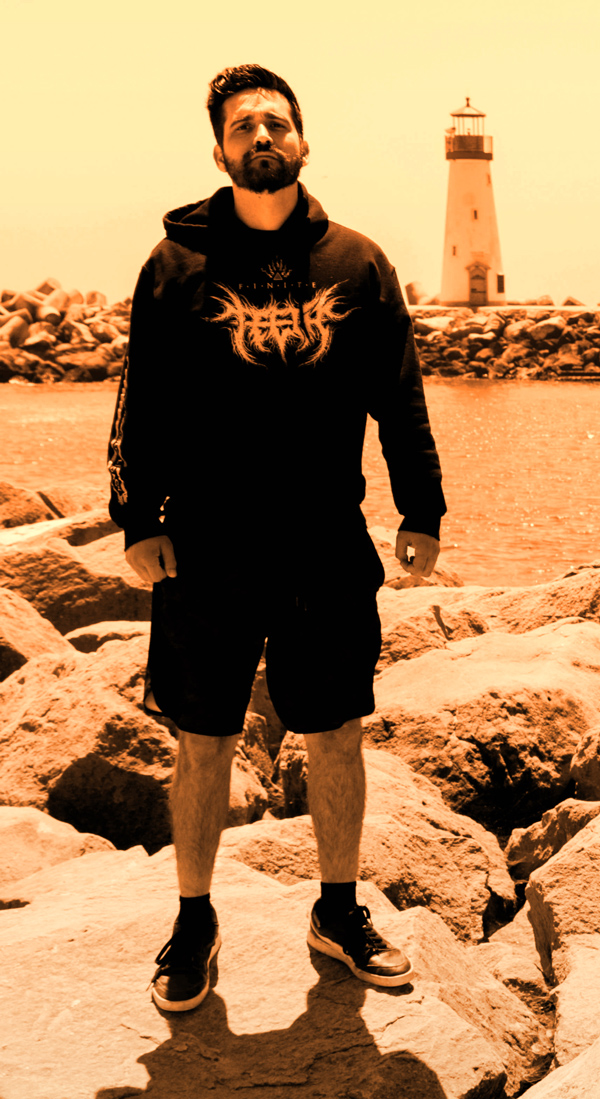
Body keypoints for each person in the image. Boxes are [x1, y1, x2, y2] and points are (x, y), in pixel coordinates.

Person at [111, 65, 447, 1012]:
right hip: (206, 544)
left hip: (324, 541)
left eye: (277, 122)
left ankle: (337, 910)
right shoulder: (175, 266)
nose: (261, 135)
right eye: (242, 125)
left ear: (303, 141)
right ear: (220, 150)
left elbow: (399, 395)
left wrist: (421, 508)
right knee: (203, 739)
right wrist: (139, 518)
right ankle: (193, 921)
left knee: (335, 733)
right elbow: (142, 400)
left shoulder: (358, 262)